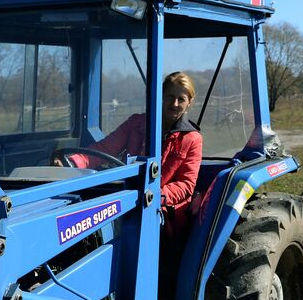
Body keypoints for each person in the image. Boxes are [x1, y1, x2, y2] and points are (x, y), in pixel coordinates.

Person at [64, 71, 203, 236]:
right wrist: (73, 163)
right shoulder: (136, 123)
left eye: (181, 99)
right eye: (169, 96)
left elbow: (186, 185)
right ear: (161, 96)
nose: (174, 103)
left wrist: (153, 195)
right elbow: (105, 148)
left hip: (162, 208)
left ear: (189, 103)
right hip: (127, 197)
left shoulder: (192, 139)